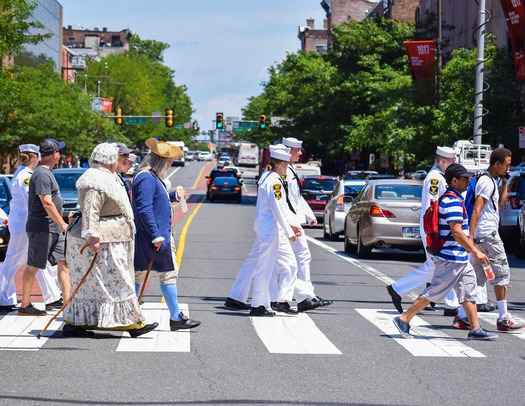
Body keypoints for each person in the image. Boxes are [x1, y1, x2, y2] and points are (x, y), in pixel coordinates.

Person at [392, 164, 498, 341]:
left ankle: (475, 329)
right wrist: (476, 252)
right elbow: (456, 232)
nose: (468, 181)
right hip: (451, 258)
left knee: (469, 292)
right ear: (454, 181)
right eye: (465, 179)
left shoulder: (453, 198)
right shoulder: (452, 201)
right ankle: (403, 319)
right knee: (435, 292)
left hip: (459, 258)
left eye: (469, 178)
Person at [62, 143, 158, 337]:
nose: (119, 161)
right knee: (114, 281)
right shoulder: (95, 180)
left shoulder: (106, 176)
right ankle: (131, 322)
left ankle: (84, 322)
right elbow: (90, 210)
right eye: (116, 158)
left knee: (100, 284)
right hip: (102, 241)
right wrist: (93, 237)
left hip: (112, 239)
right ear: (109, 160)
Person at [225, 145, 301, 316]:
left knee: (262, 264)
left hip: (265, 229)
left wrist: (289, 226)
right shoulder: (275, 181)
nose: (287, 168)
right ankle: (258, 305)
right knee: (264, 268)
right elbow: (277, 209)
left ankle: (249, 300)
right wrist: (289, 231)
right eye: (287, 165)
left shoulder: (267, 177)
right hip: (270, 230)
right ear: (282, 164)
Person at [133, 138, 200, 330]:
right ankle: (172, 317)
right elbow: (144, 208)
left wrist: (173, 196)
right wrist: (156, 234)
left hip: (152, 235)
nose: (170, 165)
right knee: (162, 274)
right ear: (161, 161)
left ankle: (170, 316)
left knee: (145, 274)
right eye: (169, 162)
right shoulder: (147, 177)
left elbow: (153, 200)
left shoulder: (150, 177)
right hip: (153, 236)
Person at [386, 146, 460, 316]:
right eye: (452, 161)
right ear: (442, 161)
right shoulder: (435, 178)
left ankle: (451, 304)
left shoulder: (440, 177)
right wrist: (436, 232)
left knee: (442, 266)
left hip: (435, 230)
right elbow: (432, 208)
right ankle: (397, 289)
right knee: (436, 267)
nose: (454, 164)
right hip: (433, 230)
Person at [466, 147, 524, 332]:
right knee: (502, 275)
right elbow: (477, 209)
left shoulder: (493, 181)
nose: (508, 168)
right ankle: (503, 317)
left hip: (483, 236)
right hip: (488, 236)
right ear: (496, 164)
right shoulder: (486, 182)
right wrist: (470, 237)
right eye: (506, 165)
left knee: (477, 278)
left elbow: (500, 205)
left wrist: (505, 183)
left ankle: (462, 317)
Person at [0, 144, 62, 313]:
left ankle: (53, 296)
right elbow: (34, 200)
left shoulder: (23, 173)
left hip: (24, 223)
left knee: (38, 259)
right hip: (25, 224)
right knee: (13, 261)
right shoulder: (26, 176)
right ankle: (3, 297)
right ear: (35, 157)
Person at [18, 138, 70, 316]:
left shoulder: (47, 173)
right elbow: (46, 202)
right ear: (55, 154)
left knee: (63, 263)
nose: (60, 154)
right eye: (59, 151)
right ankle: (25, 305)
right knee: (33, 266)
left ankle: (68, 302)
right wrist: (63, 223)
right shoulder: (41, 174)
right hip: (42, 227)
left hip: (53, 228)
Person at [280, 136, 333, 312]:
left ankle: (291, 298)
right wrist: (290, 225)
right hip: (288, 222)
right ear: (289, 151)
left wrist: (309, 215)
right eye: (297, 151)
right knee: (295, 260)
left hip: (292, 221)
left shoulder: (290, 170)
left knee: (292, 261)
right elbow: (283, 201)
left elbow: (296, 197)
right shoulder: (284, 172)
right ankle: (304, 297)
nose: (300, 153)